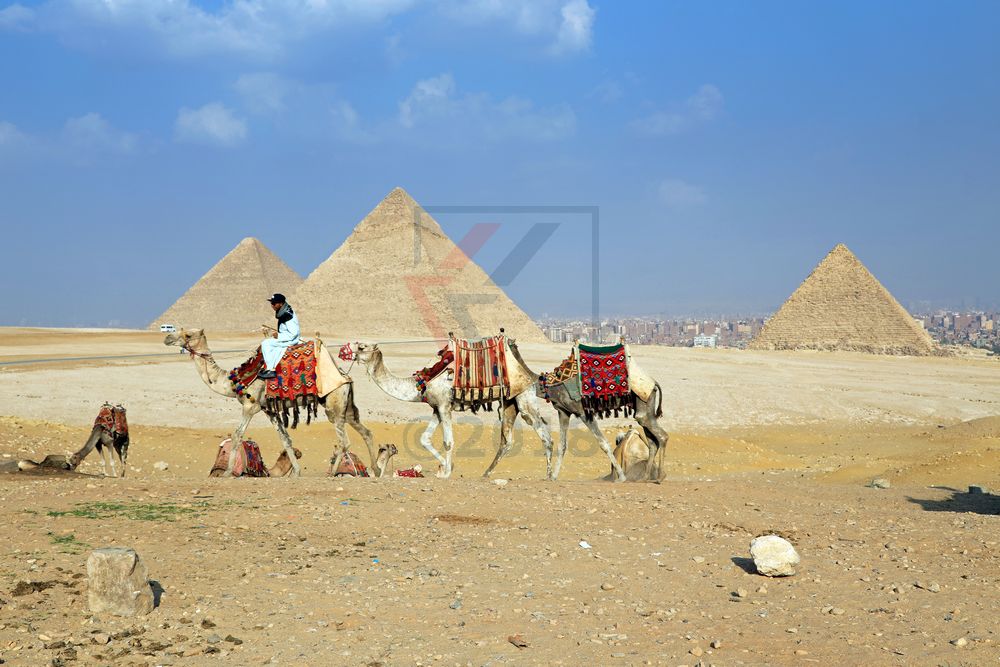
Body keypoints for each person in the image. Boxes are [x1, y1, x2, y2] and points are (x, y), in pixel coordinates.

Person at [258, 293, 300, 379]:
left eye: (274, 303)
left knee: (266, 343)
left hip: (291, 340)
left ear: (281, 304)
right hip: (286, 337)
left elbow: (294, 333)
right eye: (271, 303)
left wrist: (279, 336)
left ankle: (271, 370)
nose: (272, 305)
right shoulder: (283, 312)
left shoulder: (288, 315)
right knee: (269, 341)